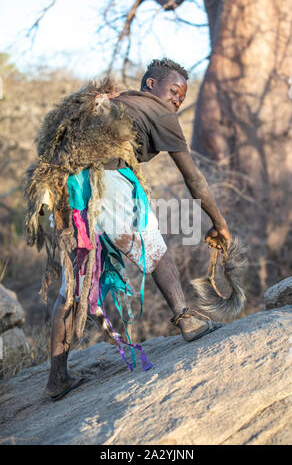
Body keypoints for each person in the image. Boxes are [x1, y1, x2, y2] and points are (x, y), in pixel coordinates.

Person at [45, 58, 230, 400]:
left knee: (74, 285)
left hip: (72, 190)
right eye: (174, 91)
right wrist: (218, 223)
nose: (177, 100)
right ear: (151, 85)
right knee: (154, 251)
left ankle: (57, 377)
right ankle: (185, 320)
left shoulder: (116, 102)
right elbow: (194, 178)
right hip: (109, 184)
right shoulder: (159, 112)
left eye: (181, 97)